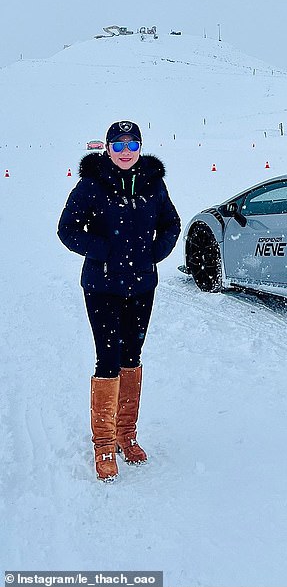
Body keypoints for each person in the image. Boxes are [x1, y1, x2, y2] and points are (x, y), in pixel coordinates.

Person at [58, 121, 181, 482]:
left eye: (131, 144)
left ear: (140, 146)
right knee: (108, 358)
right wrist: (104, 251)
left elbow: (171, 224)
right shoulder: (92, 184)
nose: (125, 151)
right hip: (103, 287)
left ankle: (127, 434)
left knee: (133, 356)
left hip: (142, 285)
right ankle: (104, 443)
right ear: (108, 148)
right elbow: (67, 228)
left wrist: (152, 254)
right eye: (118, 144)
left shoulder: (153, 183)